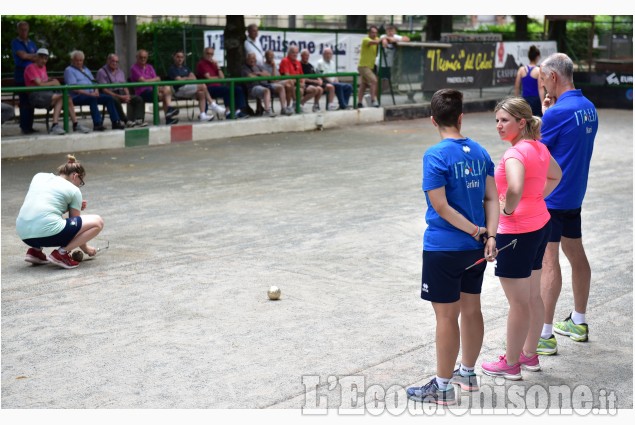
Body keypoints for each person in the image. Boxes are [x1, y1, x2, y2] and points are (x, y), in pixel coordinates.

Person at [406, 89, 498, 405]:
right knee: (472, 309)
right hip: (476, 249)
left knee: (446, 318)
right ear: (461, 117)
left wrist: (476, 231)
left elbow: (441, 207)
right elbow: (491, 198)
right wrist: (490, 236)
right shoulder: (481, 152)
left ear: (433, 120)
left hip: (444, 249)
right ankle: (467, 373)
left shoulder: (435, 156)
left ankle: (443, 387)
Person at [480, 97, 562, 380]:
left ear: (521, 122)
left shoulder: (514, 155)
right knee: (532, 297)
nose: (499, 126)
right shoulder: (538, 147)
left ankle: (511, 363)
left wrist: (509, 208)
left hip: (516, 233)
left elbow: (513, 187)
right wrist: (536, 198)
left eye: (505, 120)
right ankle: (529, 354)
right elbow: (556, 176)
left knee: (519, 303)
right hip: (540, 225)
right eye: (497, 121)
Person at [537, 53, 599, 356]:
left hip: (552, 199)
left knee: (549, 261)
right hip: (574, 196)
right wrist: (549, 111)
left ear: (553, 77)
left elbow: (536, 150)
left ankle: (545, 335)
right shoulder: (588, 108)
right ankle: (579, 320)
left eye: (542, 78)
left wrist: (544, 115)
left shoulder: (555, 114)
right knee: (576, 254)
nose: (542, 84)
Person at [16, 154, 105, 270]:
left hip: (24, 234)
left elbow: (44, 205)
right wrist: (86, 249)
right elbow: (76, 227)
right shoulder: (74, 190)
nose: (80, 185)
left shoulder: (39, 176)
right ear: (75, 176)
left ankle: (35, 251)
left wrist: (68, 206)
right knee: (98, 222)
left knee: (45, 219)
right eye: (81, 181)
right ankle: (61, 254)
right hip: (47, 233)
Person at [24, 48, 90, 135]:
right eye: (41, 58)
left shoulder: (43, 67)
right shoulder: (31, 68)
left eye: (45, 58)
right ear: (36, 57)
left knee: (67, 97)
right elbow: (39, 84)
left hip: (46, 94)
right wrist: (53, 83)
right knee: (64, 97)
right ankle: (59, 125)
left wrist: (52, 81)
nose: (43, 60)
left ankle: (73, 124)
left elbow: (44, 81)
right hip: (36, 95)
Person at [64, 50, 125, 131]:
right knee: (92, 99)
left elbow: (94, 82)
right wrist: (90, 94)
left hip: (91, 94)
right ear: (72, 60)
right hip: (78, 96)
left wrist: (96, 90)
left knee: (109, 98)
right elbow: (74, 88)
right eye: (77, 60)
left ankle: (116, 122)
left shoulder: (86, 69)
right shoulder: (69, 70)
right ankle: (97, 124)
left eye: (81, 60)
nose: (79, 62)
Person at [129, 49, 180, 125]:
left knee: (166, 88)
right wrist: (154, 80)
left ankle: (169, 111)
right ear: (137, 57)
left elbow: (158, 80)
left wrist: (155, 85)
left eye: (145, 57)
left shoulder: (150, 67)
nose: (143, 59)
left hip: (153, 89)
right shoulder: (134, 68)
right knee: (165, 94)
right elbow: (143, 82)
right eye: (141, 57)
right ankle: (169, 114)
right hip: (142, 92)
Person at [96, 53, 147, 128]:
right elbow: (104, 89)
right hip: (111, 94)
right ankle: (125, 120)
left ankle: (138, 120)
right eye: (113, 61)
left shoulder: (120, 71)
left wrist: (127, 95)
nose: (115, 63)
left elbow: (125, 86)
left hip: (121, 93)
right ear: (108, 61)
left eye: (117, 62)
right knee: (115, 100)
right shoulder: (102, 72)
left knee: (138, 99)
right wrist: (119, 96)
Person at [196, 47, 248, 119]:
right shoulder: (201, 64)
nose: (209, 55)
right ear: (204, 54)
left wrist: (218, 66)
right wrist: (218, 78)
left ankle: (238, 111)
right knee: (226, 90)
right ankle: (228, 112)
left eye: (211, 54)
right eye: (208, 53)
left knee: (238, 89)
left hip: (218, 87)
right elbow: (209, 78)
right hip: (208, 88)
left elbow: (222, 77)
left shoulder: (214, 64)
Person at [167, 50, 219, 122]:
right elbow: (178, 80)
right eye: (178, 57)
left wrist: (184, 78)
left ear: (184, 58)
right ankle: (212, 104)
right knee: (202, 85)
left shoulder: (186, 68)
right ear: (174, 58)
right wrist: (188, 78)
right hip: (179, 90)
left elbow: (194, 78)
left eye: (182, 57)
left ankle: (203, 115)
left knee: (201, 93)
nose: (180, 59)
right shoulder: (172, 68)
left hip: (189, 89)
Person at [11, 21, 38, 134]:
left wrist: (29, 56)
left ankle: (29, 126)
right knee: (24, 102)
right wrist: (31, 57)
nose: (24, 31)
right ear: (18, 30)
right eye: (21, 29)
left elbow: (37, 58)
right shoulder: (15, 42)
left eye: (25, 29)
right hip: (21, 76)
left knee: (31, 101)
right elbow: (22, 55)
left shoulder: (32, 43)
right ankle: (24, 127)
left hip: (32, 76)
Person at [279, 46, 320, 113]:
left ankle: (299, 104)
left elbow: (302, 76)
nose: (295, 54)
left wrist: (302, 83)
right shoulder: (285, 60)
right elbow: (287, 76)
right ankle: (293, 104)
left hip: (299, 83)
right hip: (290, 84)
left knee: (315, 89)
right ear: (289, 53)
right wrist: (299, 83)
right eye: (293, 53)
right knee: (297, 89)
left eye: (296, 53)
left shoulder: (298, 62)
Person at [241, 52, 278, 117]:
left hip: (262, 85)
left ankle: (285, 108)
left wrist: (258, 73)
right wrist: (262, 75)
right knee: (266, 90)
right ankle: (267, 111)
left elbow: (268, 75)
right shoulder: (244, 68)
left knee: (280, 87)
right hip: (252, 88)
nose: (252, 60)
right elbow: (251, 77)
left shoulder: (258, 66)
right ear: (247, 59)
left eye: (254, 58)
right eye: (250, 58)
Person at [376, 24, 410, 94]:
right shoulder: (383, 36)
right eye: (388, 31)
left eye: (392, 31)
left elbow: (407, 39)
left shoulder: (395, 36)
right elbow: (384, 42)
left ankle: (380, 94)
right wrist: (391, 39)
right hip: (381, 63)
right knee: (379, 80)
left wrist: (393, 39)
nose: (390, 32)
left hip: (390, 63)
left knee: (387, 82)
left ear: (395, 31)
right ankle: (376, 96)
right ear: (386, 31)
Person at [514, 45, 544, 117]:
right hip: (536, 100)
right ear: (537, 57)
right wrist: (543, 103)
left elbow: (517, 87)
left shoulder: (521, 70)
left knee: (526, 121)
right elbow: (541, 88)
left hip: (525, 100)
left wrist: (515, 101)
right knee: (538, 121)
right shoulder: (538, 70)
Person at [357, 25, 381, 108]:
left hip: (369, 67)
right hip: (363, 66)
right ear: (369, 33)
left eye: (375, 33)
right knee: (374, 80)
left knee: (363, 85)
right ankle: (373, 100)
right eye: (372, 32)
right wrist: (384, 39)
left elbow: (379, 41)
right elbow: (376, 42)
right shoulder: (366, 39)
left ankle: (359, 103)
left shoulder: (377, 39)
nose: (374, 34)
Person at [262, 49, 291, 115]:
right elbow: (273, 80)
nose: (271, 57)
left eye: (272, 55)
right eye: (270, 55)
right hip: (269, 84)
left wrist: (274, 67)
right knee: (289, 81)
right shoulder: (263, 66)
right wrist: (274, 66)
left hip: (277, 83)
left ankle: (287, 106)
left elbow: (279, 77)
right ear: (266, 56)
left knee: (288, 85)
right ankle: (293, 104)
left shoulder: (273, 65)